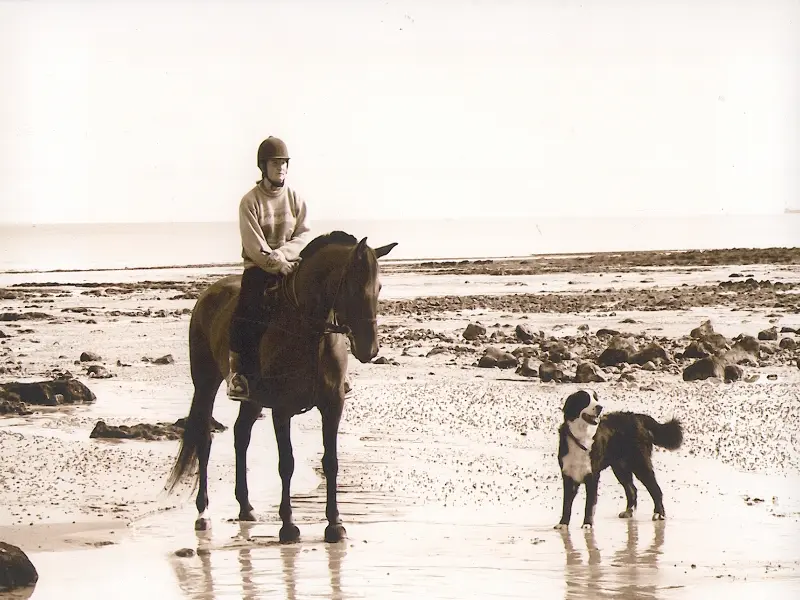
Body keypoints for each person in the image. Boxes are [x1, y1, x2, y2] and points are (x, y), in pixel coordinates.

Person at [227, 136, 312, 401]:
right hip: (260, 269)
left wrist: (284, 256)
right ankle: (238, 374)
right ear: (263, 166)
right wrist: (275, 262)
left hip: (292, 266)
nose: (281, 167)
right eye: (276, 163)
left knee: (323, 304)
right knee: (247, 310)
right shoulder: (249, 202)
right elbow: (254, 244)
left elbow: (303, 236)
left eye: (284, 163)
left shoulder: (295, 199)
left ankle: (334, 372)